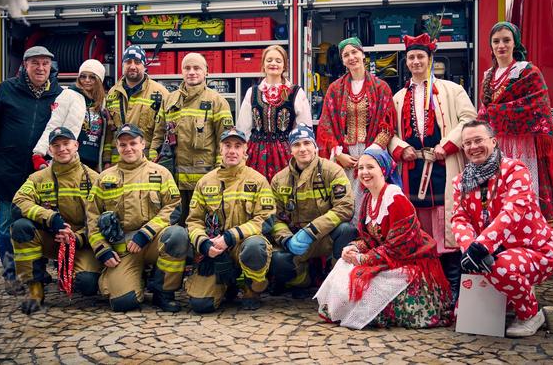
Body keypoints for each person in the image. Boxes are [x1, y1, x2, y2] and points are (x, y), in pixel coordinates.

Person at [316, 147, 452, 329]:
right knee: (344, 265)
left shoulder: (396, 199)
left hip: (408, 261)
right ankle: (345, 310)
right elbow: (370, 239)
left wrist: (364, 258)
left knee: (364, 276)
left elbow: (400, 247)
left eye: (370, 167)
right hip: (386, 256)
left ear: (384, 170)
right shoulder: (367, 199)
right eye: (361, 168)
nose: (364, 172)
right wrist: (355, 248)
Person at [451, 120, 553, 337]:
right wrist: (469, 248)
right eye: (467, 143)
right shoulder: (460, 181)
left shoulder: (515, 169)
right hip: (492, 251)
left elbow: (512, 212)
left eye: (478, 140)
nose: (473, 147)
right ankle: (511, 296)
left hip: (535, 250)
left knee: (501, 267)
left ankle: (530, 314)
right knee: (460, 314)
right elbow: (459, 218)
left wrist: (481, 246)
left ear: (493, 141)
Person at [389, 33, 477, 303]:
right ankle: (427, 286)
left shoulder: (452, 90)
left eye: (420, 57)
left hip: (443, 166)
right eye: (411, 57)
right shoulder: (398, 97)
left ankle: (453, 288)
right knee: (420, 225)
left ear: (430, 60)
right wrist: (401, 148)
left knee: (446, 224)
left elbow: (469, 119)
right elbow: (389, 131)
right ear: (406, 62)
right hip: (413, 169)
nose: (416, 61)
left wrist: (448, 145)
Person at [0, 45, 63, 291]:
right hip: (8, 170)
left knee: (38, 225)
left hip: (40, 174)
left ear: (51, 67)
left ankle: (35, 273)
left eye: (45, 63)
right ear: (25, 65)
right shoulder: (6, 90)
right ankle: (11, 275)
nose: (40, 68)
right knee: (7, 226)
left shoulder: (58, 94)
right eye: (35, 62)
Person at [86, 123, 188, 312]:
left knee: (177, 235)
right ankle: (133, 278)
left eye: (133, 143)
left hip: (152, 240)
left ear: (143, 144)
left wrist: (146, 232)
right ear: (117, 147)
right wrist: (103, 250)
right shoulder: (104, 178)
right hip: (122, 249)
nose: (128, 148)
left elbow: (173, 208)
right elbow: (92, 219)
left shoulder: (160, 173)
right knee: (124, 303)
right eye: (123, 145)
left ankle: (163, 292)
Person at [478, 22, 553, 242]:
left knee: (524, 191)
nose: (501, 45)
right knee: (499, 194)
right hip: (496, 146)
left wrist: (494, 114)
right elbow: (482, 112)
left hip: (523, 145)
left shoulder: (528, 71)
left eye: (506, 40)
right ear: (491, 45)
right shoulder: (488, 75)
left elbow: (537, 106)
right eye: (496, 41)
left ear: (515, 42)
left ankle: (529, 240)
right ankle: (503, 241)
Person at [10, 127, 101, 314]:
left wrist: (77, 237)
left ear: (76, 145)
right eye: (56, 145)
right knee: (21, 227)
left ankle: (70, 268)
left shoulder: (94, 179)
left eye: (66, 144)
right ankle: (35, 287)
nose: (62, 149)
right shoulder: (37, 178)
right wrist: (51, 219)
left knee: (87, 285)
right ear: (50, 150)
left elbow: (100, 217)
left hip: (82, 242)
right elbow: (18, 203)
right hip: (51, 238)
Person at [186, 129, 276, 313]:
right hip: (214, 250)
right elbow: (193, 221)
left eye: (237, 146)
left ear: (245, 151)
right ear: (220, 150)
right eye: (227, 146)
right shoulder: (205, 182)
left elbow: (266, 220)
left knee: (255, 248)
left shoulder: (258, 181)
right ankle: (228, 285)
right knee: (201, 305)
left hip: (243, 244)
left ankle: (253, 289)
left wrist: (229, 237)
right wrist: (204, 245)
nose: (232, 151)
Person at [269, 124, 357, 297]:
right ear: (291, 150)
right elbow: (275, 217)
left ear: (315, 147)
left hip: (325, 237)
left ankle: (335, 282)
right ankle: (303, 281)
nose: (302, 149)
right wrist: (287, 240)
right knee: (276, 260)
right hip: (296, 240)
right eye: (297, 145)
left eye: (307, 143)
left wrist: (311, 231)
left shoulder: (332, 170)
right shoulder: (279, 180)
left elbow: (345, 207)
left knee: (347, 230)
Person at [317, 37, 396, 223]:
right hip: (346, 154)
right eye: (346, 55)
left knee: (374, 195)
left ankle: (373, 236)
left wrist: (371, 154)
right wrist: (338, 154)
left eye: (354, 52)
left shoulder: (381, 87)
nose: (351, 57)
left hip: (374, 151)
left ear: (363, 54)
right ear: (343, 60)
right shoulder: (335, 89)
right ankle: (350, 239)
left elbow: (388, 124)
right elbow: (326, 125)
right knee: (346, 198)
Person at [152, 52, 233, 226]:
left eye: (197, 68)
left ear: (206, 72)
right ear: (181, 72)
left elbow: (225, 141)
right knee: (175, 224)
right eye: (187, 68)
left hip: (204, 179)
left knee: (203, 225)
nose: (192, 72)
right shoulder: (169, 100)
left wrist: (221, 171)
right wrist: (153, 161)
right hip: (174, 179)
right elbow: (158, 135)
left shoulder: (217, 101)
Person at [237, 45, 312, 182]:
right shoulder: (252, 92)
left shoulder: (295, 92)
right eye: (269, 60)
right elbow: (243, 128)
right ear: (263, 65)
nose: (273, 64)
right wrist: (242, 153)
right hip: (256, 153)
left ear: (284, 66)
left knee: (285, 189)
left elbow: (304, 128)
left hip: (286, 152)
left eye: (278, 61)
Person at [32, 59, 108, 171]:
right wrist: (38, 153)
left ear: (99, 80)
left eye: (92, 77)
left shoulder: (102, 102)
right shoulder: (68, 95)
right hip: (69, 161)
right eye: (83, 76)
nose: (87, 80)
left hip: (93, 165)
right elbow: (54, 124)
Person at [102, 45, 169, 167]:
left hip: (147, 161)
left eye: (137, 62)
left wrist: (156, 160)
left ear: (144, 66)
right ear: (122, 65)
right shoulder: (112, 93)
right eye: (128, 62)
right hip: (118, 163)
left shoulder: (160, 93)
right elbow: (108, 131)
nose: (132, 66)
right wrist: (107, 159)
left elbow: (163, 132)